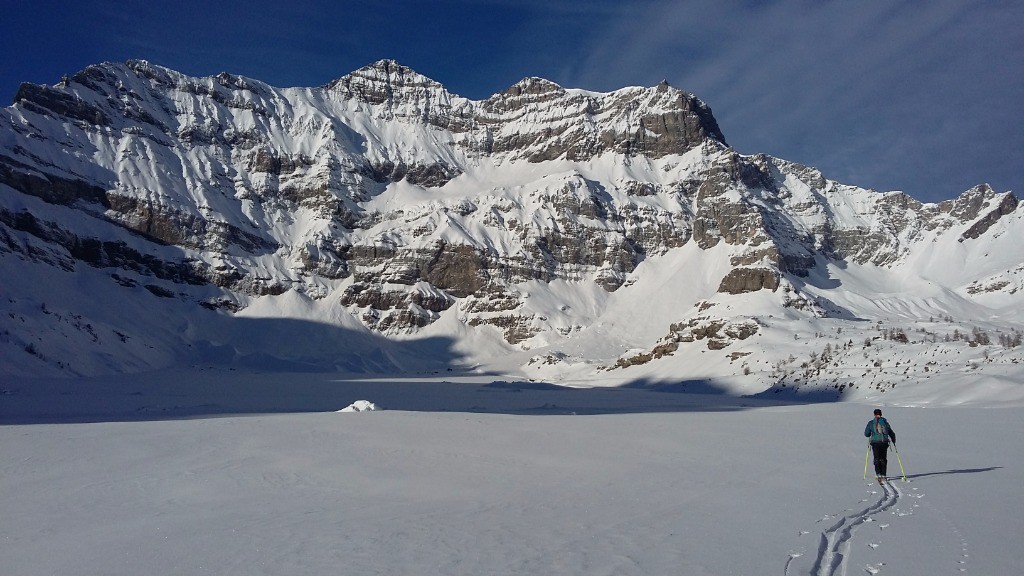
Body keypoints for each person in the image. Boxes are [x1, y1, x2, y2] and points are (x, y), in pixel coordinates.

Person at [864, 408, 896, 483]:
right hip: (884, 442)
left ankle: (878, 474)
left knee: (877, 458)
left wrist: (871, 434)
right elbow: (891, 432)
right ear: (881, 414)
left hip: (875, 443)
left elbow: (866, 434)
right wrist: (893, 440)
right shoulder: (885, 422)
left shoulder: (871, 423)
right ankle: (884, 474)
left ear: (874, 414)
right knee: (883, 458)